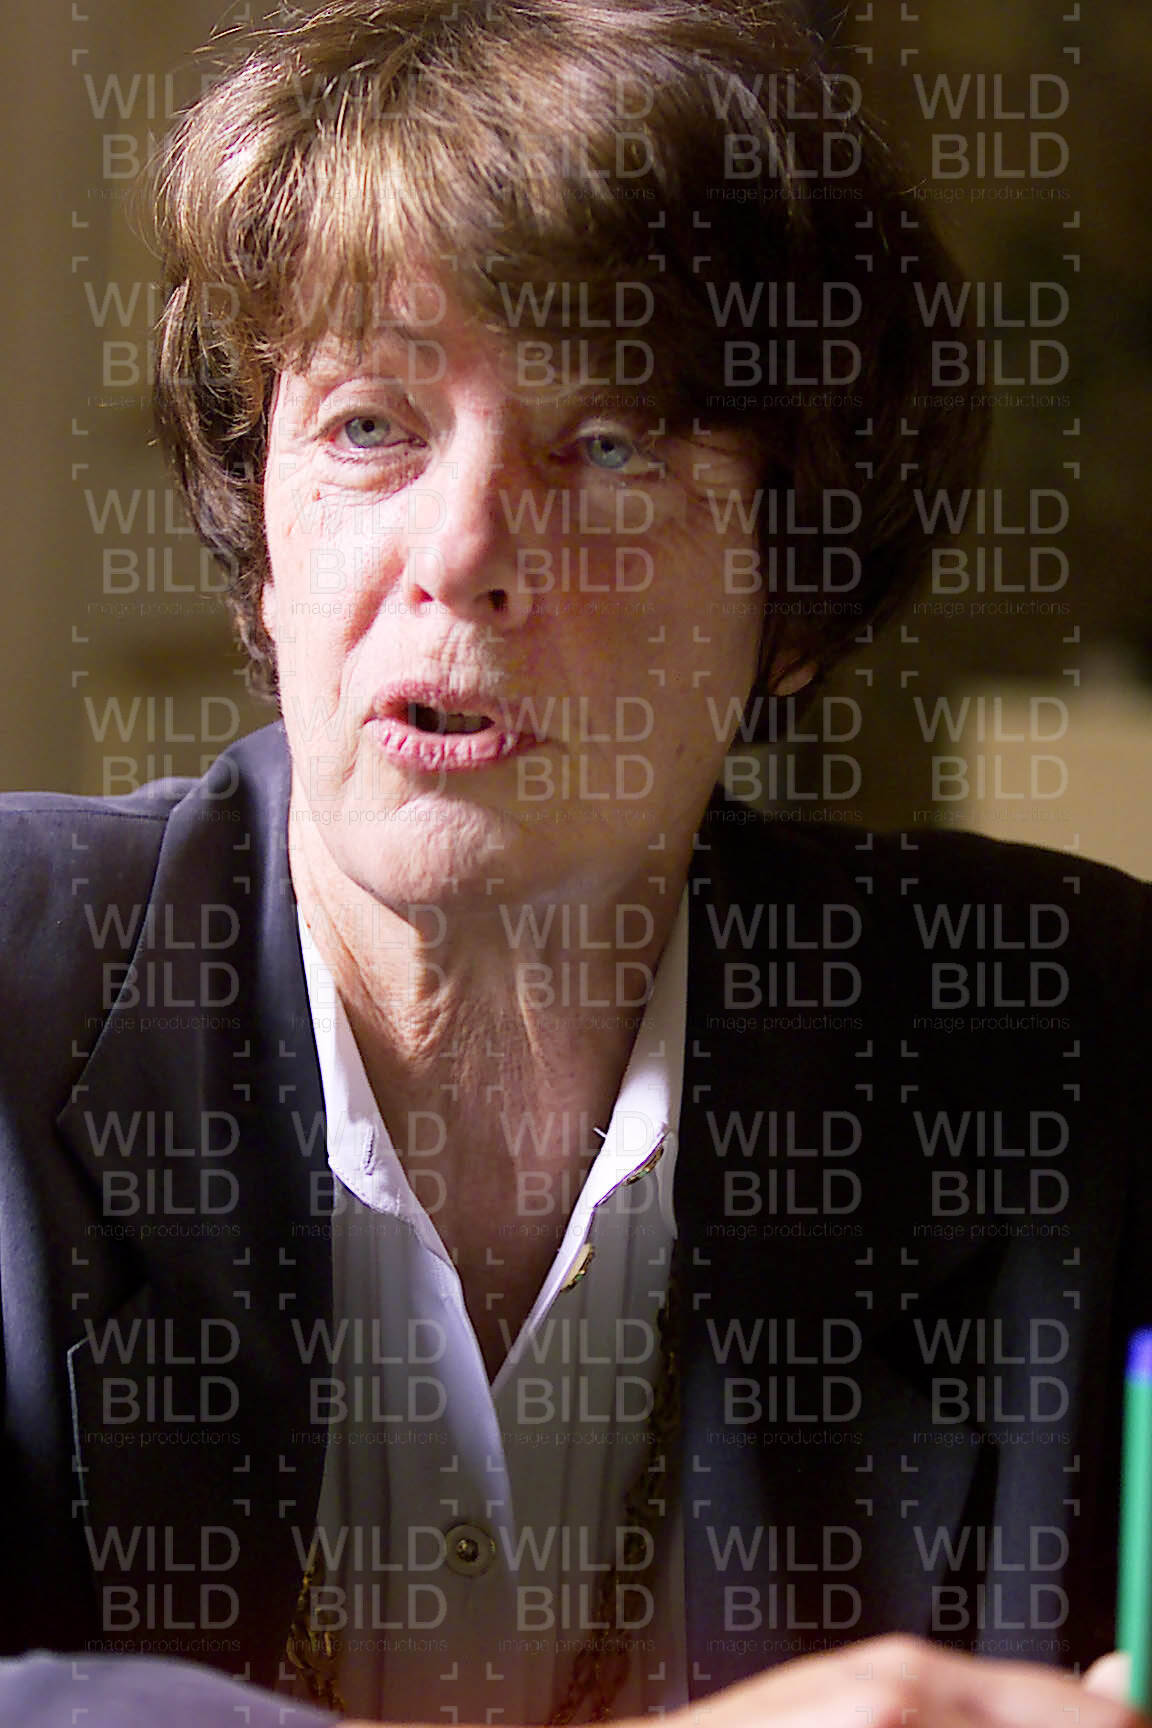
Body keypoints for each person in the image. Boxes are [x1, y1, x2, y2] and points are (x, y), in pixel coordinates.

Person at [0, 0, 1149, 1724]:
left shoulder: (1080, 1041)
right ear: (261, 547)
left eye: (609, 446)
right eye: (370, 427)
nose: (462, 550)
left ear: (794, 595)